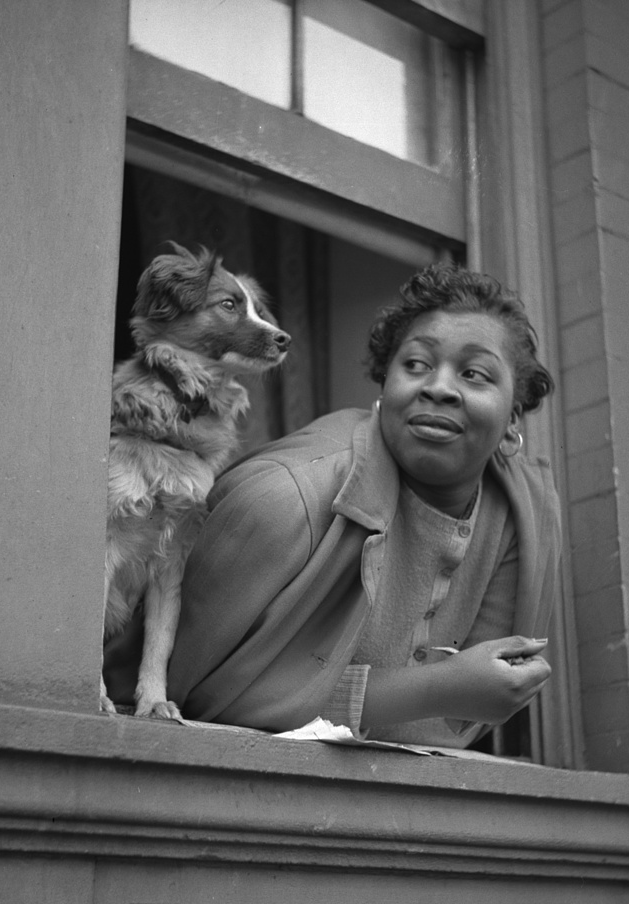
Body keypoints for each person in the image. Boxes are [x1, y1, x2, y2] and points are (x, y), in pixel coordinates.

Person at [103, 262, 561, 749]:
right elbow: (199, 695)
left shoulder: (526, 518)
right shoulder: (283, 498)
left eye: (474, 374)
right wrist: (433, 690)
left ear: (514, 415)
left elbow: (456, 725)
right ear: (384, 386)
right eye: (416, 365)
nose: (439, 387)